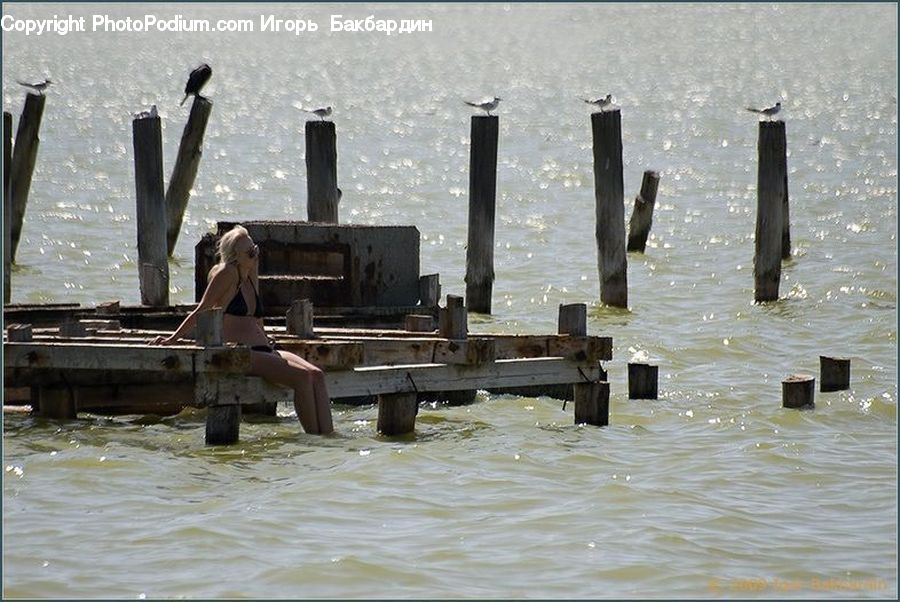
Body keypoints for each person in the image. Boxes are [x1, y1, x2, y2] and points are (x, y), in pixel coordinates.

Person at [151, 225, 334, 435]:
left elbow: (257, 317)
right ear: (234, 256)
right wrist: (172, 339)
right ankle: (314, 438)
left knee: (317, 375)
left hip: (264, 348)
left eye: (255, 249)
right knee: (302, 378)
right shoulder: (226, 273)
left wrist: (268, 341)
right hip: (242, 353)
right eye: (249, 252)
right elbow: (202, 309)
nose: (255, 255)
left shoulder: (249, 272)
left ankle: (329, 439)